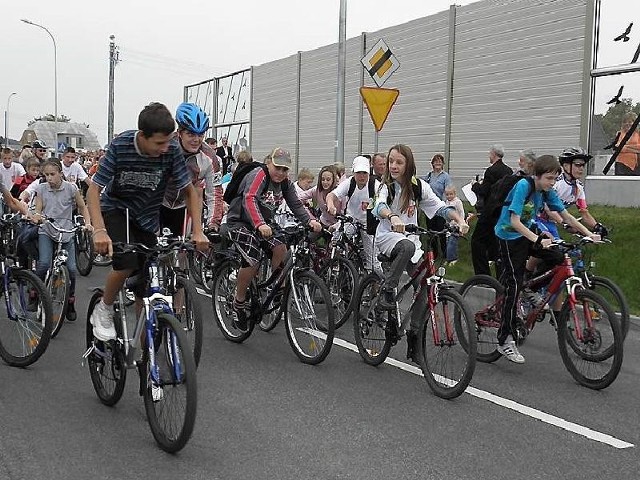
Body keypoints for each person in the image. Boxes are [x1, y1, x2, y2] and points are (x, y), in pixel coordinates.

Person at [86, 102, 209, 342]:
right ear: (143, 136)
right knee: (126, 263)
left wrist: (198, 231)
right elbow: (94, 190)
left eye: (168, 142)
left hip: (147, 218)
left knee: (147, 286)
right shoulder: (121, 145)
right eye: (159, 143)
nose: (165, 148)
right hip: (118, 211)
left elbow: (189, 191)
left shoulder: (171, 151)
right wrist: (99, 230)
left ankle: (146, 353)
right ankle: (104, 307)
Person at [494, 155, 600, 364]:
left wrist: (589, 233)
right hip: (508, 236)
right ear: (537, 176)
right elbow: (514, 221)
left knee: (559, 256)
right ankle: (505, 339)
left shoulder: (547, 192)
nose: (552, 183)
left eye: (555, 179)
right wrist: (537, 239)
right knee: (513, 286)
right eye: (549, 179)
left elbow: (566, 216)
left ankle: (532, 287)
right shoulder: (524, 186)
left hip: (528, 233)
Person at [372, 144, 468, 361]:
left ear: (409, 165)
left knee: (425, 286)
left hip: (412, 239)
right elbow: (378, 206)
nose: (394, 166)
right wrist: (392, 217)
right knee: (405, 246)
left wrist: (459, 220)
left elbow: (440, 207)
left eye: (399, 162)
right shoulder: (384, 185)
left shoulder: (418, 186)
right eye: (391, 162)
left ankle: (414, 337)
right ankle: (388, 290)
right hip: (389, 237)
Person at [224, 147, 321, 332]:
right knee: (251, 258)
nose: (281, 172)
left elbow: (295, 204)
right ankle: (239, 303)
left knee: (280, 248)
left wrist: (310, 221)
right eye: (277, 167)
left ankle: (278, 291)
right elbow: (250, 198)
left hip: (265, 224)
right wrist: (259, 224)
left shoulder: (285, 183)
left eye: (285, 169)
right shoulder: (259, 174)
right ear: (269, 163)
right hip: (240, 221)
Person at [31, 159, 92, 321]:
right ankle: (35, 292)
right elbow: (38, 208)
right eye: (46, 175)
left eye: (52, 174)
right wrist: (37, 216)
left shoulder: (71, 189)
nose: (49, 178)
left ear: (60, 174)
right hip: (48, 231)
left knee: (71, 269)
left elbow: (82, 206)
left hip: (66, 233)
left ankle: (70, 300)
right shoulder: (41, 188)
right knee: (44, 263)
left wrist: (87, 223)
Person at [160, 102, 223, 235]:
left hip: (185, 207)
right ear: (179, 133)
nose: (196, 140)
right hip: (158, 203)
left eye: (200, 135)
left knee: (184, 251)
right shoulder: (164, 148)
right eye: (191, 134)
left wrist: (213, 224)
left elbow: (214, 193)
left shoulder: (210, 158)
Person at [326, 155, 382, 273]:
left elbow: (383, 203)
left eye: (364, 173)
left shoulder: (376, 185)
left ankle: (376, 285)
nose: (361, 176)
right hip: (351, 219)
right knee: (337, 240)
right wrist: (330, 205)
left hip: (369, 223)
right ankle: (338, 269)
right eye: (358, 173)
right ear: (353, 173)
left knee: (373, 263)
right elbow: (332, 195)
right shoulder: (349, 183)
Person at [470, 144, 513, 276]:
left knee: (477, 241)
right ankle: (500, 275)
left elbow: (484, 191)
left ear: (493, 154)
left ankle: (482, 274)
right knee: (497, 243)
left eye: (490, 154)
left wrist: (475, 185)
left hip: (490, 211)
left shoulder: (491, 171)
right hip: (503, 211)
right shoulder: (509, 171)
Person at [443, 185, 464, 265]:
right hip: (449, 225)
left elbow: (461, 213)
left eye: (451, 194)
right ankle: (448, 258)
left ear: (455, 194)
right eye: (447, 194)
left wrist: (461, 223)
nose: (449, 196)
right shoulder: (447, 202)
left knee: (452, 242)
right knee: (448, 241)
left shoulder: (458, 202)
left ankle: (453, 258)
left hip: (456, 225)